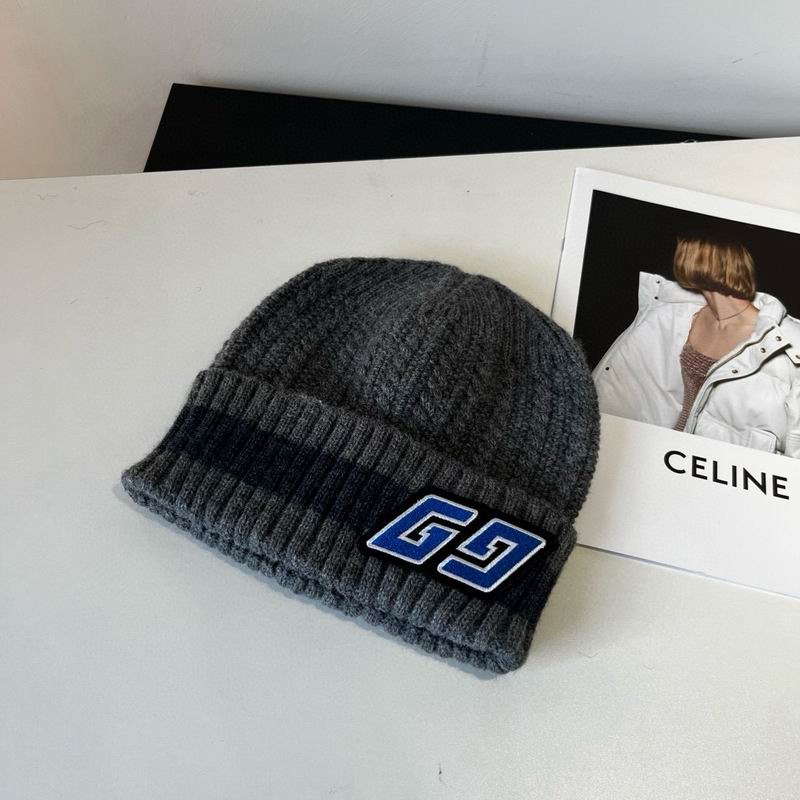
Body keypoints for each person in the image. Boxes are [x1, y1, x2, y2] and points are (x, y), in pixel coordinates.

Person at [592, 232, 800, 457]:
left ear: (702, 262)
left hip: (716, 471)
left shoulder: (787, 343)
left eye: (684, 253)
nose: (678, 260)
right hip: (660, 458)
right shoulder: (675, 317)